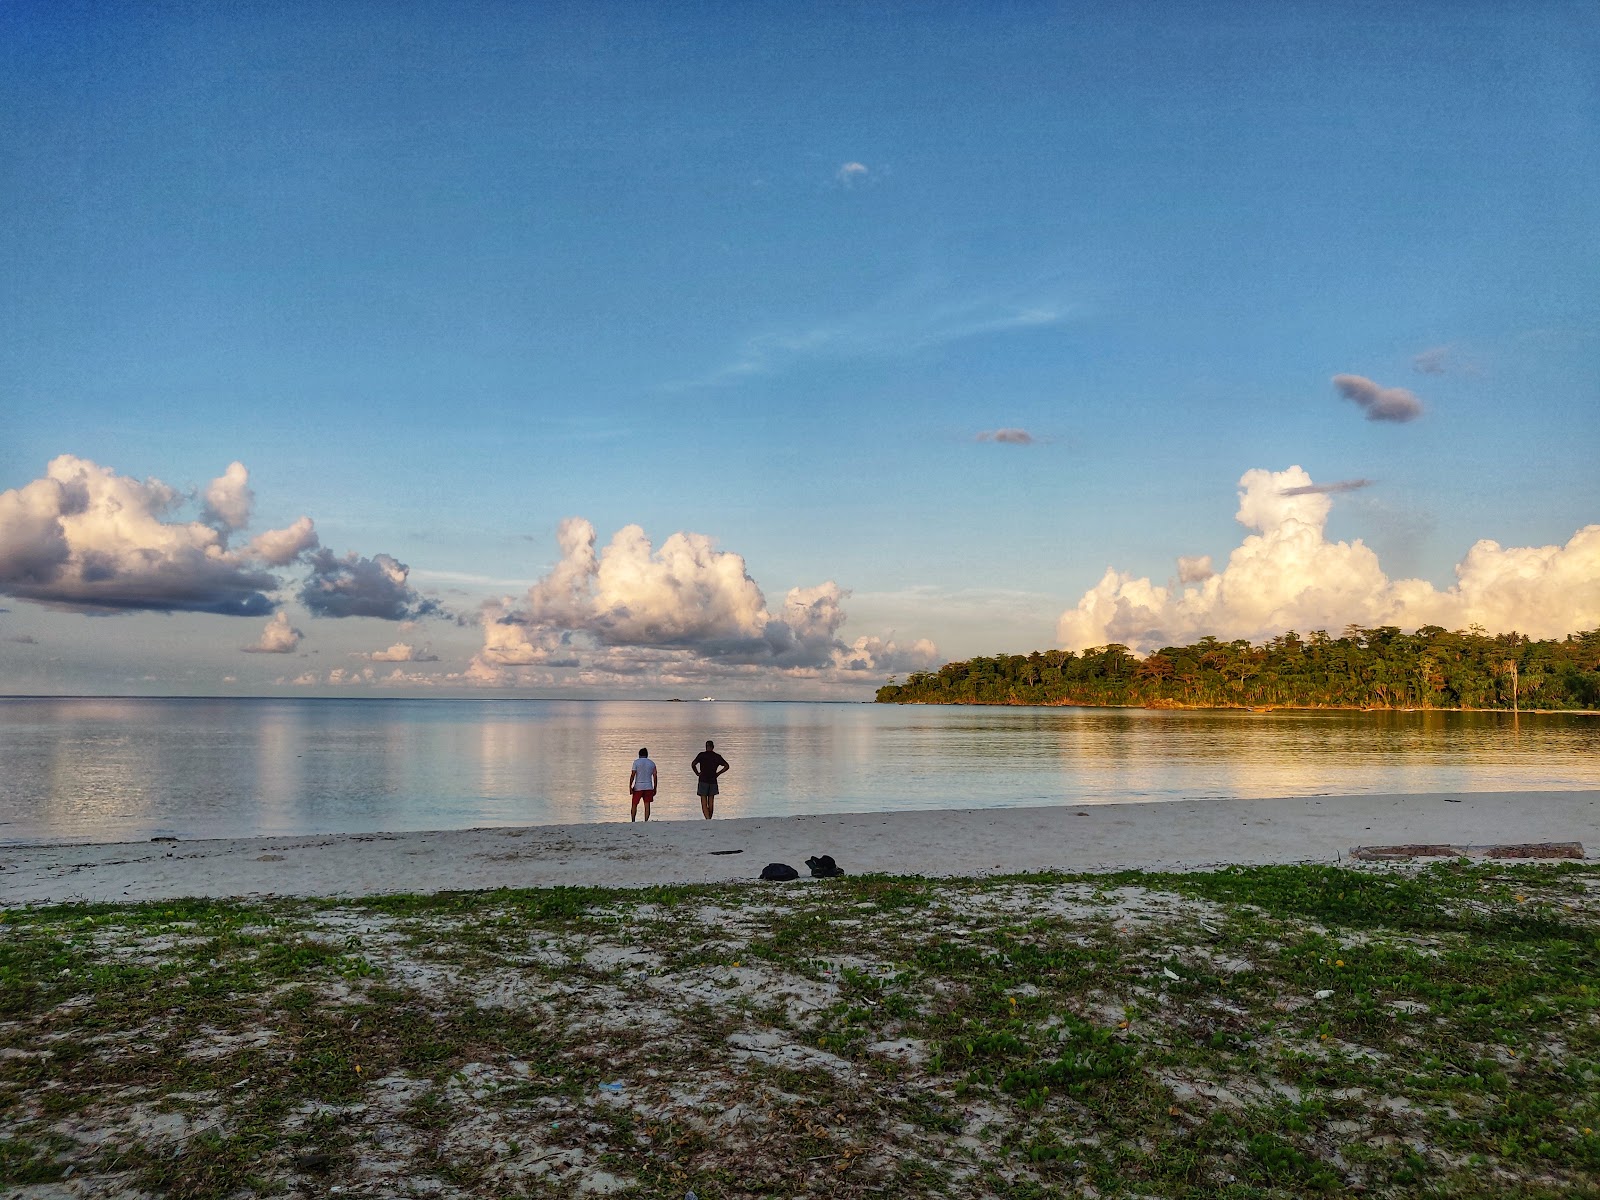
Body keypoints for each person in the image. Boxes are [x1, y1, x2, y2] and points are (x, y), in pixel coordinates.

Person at [690, 739, 730, 819]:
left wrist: (697, 773)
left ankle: (707, 818)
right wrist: (718, 773)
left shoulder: (701, 755)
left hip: (703, 779)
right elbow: (726, 766)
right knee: (711, 801)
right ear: (713, 747)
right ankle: (709, 818)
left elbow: (693, 764)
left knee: (703, 801)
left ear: (706, 747)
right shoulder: (717, 756)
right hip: (713, 780)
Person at [628, 747, 657, 822]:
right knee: (647, 805)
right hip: (648, 786)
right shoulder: (652, 763)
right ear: (647, 755)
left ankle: (633, 820)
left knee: (634, 804)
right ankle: (646, 821)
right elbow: (655, 776)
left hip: (638, 786)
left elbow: (633, 775)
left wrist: (630, 786)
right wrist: (655, 788)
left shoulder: (636, 762)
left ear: (639, 755)